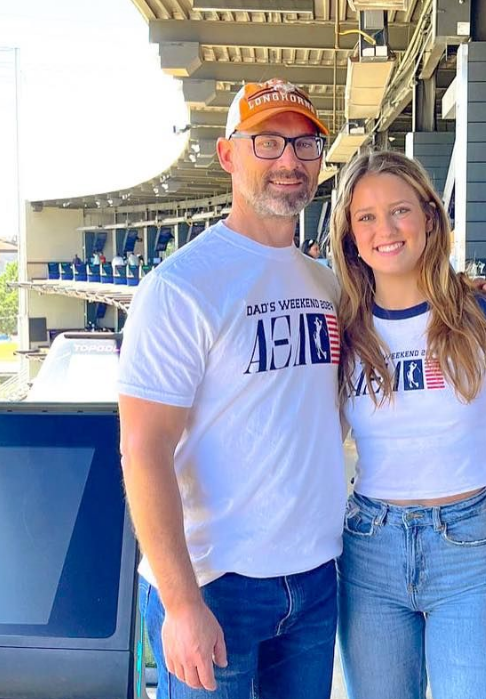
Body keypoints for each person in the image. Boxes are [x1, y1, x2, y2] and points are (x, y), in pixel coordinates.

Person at [115, 79, 343, 699]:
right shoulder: (181, 286)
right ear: (227, 155)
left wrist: (463, 294)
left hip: (315, 578)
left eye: (305, 144)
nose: (289, 160)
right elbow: (143, 448)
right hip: (214, 584)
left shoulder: (327, 285)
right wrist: (182, 603)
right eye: (267, 142)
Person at [329, 150, 486, 699]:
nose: (385, 229)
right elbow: (319, 441)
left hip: (469, 553)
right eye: (367, 217)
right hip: (370, 551)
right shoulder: (344, 326)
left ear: (430, 216)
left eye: (400, 210)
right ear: (350, 235)